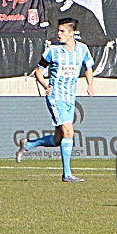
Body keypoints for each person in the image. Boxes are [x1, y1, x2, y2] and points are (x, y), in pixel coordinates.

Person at [16, 18, 94, 183]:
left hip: (70, 98)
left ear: (72, 33)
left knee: (59, 139)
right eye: (58, 31)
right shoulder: (53, 51)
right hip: (56, 97)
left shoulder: (83, 50)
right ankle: (67, 174)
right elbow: (38, 71)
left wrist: (90, 85)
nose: (58, 34)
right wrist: (45, 84)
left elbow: (88, 67)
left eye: (62, 31)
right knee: (69, 132)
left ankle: (28, 145)